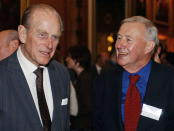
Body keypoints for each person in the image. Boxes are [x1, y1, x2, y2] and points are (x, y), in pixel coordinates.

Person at [93, 16, 174, 131]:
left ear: (148, 47)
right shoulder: (104, 80)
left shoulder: (169, 80)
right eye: (119, 38)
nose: (119, 45)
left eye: (128, 39)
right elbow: (97, 124)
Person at [0, 3, 70, 131]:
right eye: (42, 35)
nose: (50, 45)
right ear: (22, 34)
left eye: (55, 37)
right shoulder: (2, 76)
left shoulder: (62, 73)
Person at [66, 45, 93, 131]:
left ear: (77, 61)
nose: (66, 59)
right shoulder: (80, 77)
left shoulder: (85, 79)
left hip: (83, 126)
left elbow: (87, 106)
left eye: (69, 57)